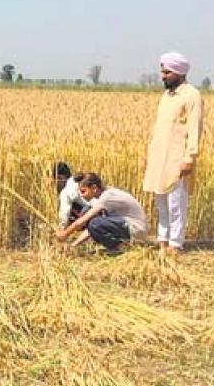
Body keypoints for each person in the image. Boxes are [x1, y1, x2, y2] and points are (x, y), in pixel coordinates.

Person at [143, 52, 203, 254]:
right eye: (162, 72)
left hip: (177, 158)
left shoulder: (192, 95)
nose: (163, 76)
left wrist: (189, 158)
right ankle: (162, 240)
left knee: (176, 203)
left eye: (167, 72)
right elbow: (158, 128)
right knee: (161, 203)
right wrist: (149, 155)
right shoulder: (166, 96)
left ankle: (175, 244)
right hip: (159, 157)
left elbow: (195, 128)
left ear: (179, 72)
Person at [55, 173, 148, 253]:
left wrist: (65, 233)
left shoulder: (106, 197)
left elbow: (82, 222)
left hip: (136, 229)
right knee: (90, 217)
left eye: (83, 191)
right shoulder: (105, 195)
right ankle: (120, 246)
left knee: (94, 222)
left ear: (94, 188)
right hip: (130, 227)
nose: (82, 195)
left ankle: (117, 248)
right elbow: (90, 230)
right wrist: (73, 245)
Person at [53, 161, 90, 228]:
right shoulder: (74, 181)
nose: (56, 183)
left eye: (59, 178)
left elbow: (65, 212)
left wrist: (61, 228)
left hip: (93, 214)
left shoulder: (66, 191)